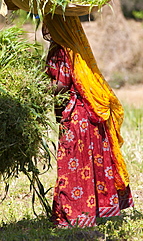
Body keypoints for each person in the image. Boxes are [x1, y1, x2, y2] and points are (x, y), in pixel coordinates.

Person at [43, 13, 134, 228]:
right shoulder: (75, 47)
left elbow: (61, 85)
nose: (46, 28)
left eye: (50, 24)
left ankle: (74, 215)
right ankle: (95, 210)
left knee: (72, 165)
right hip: (88, 115)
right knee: (90, 162)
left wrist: (35, 89)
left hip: (76, 118)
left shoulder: (62, 50)